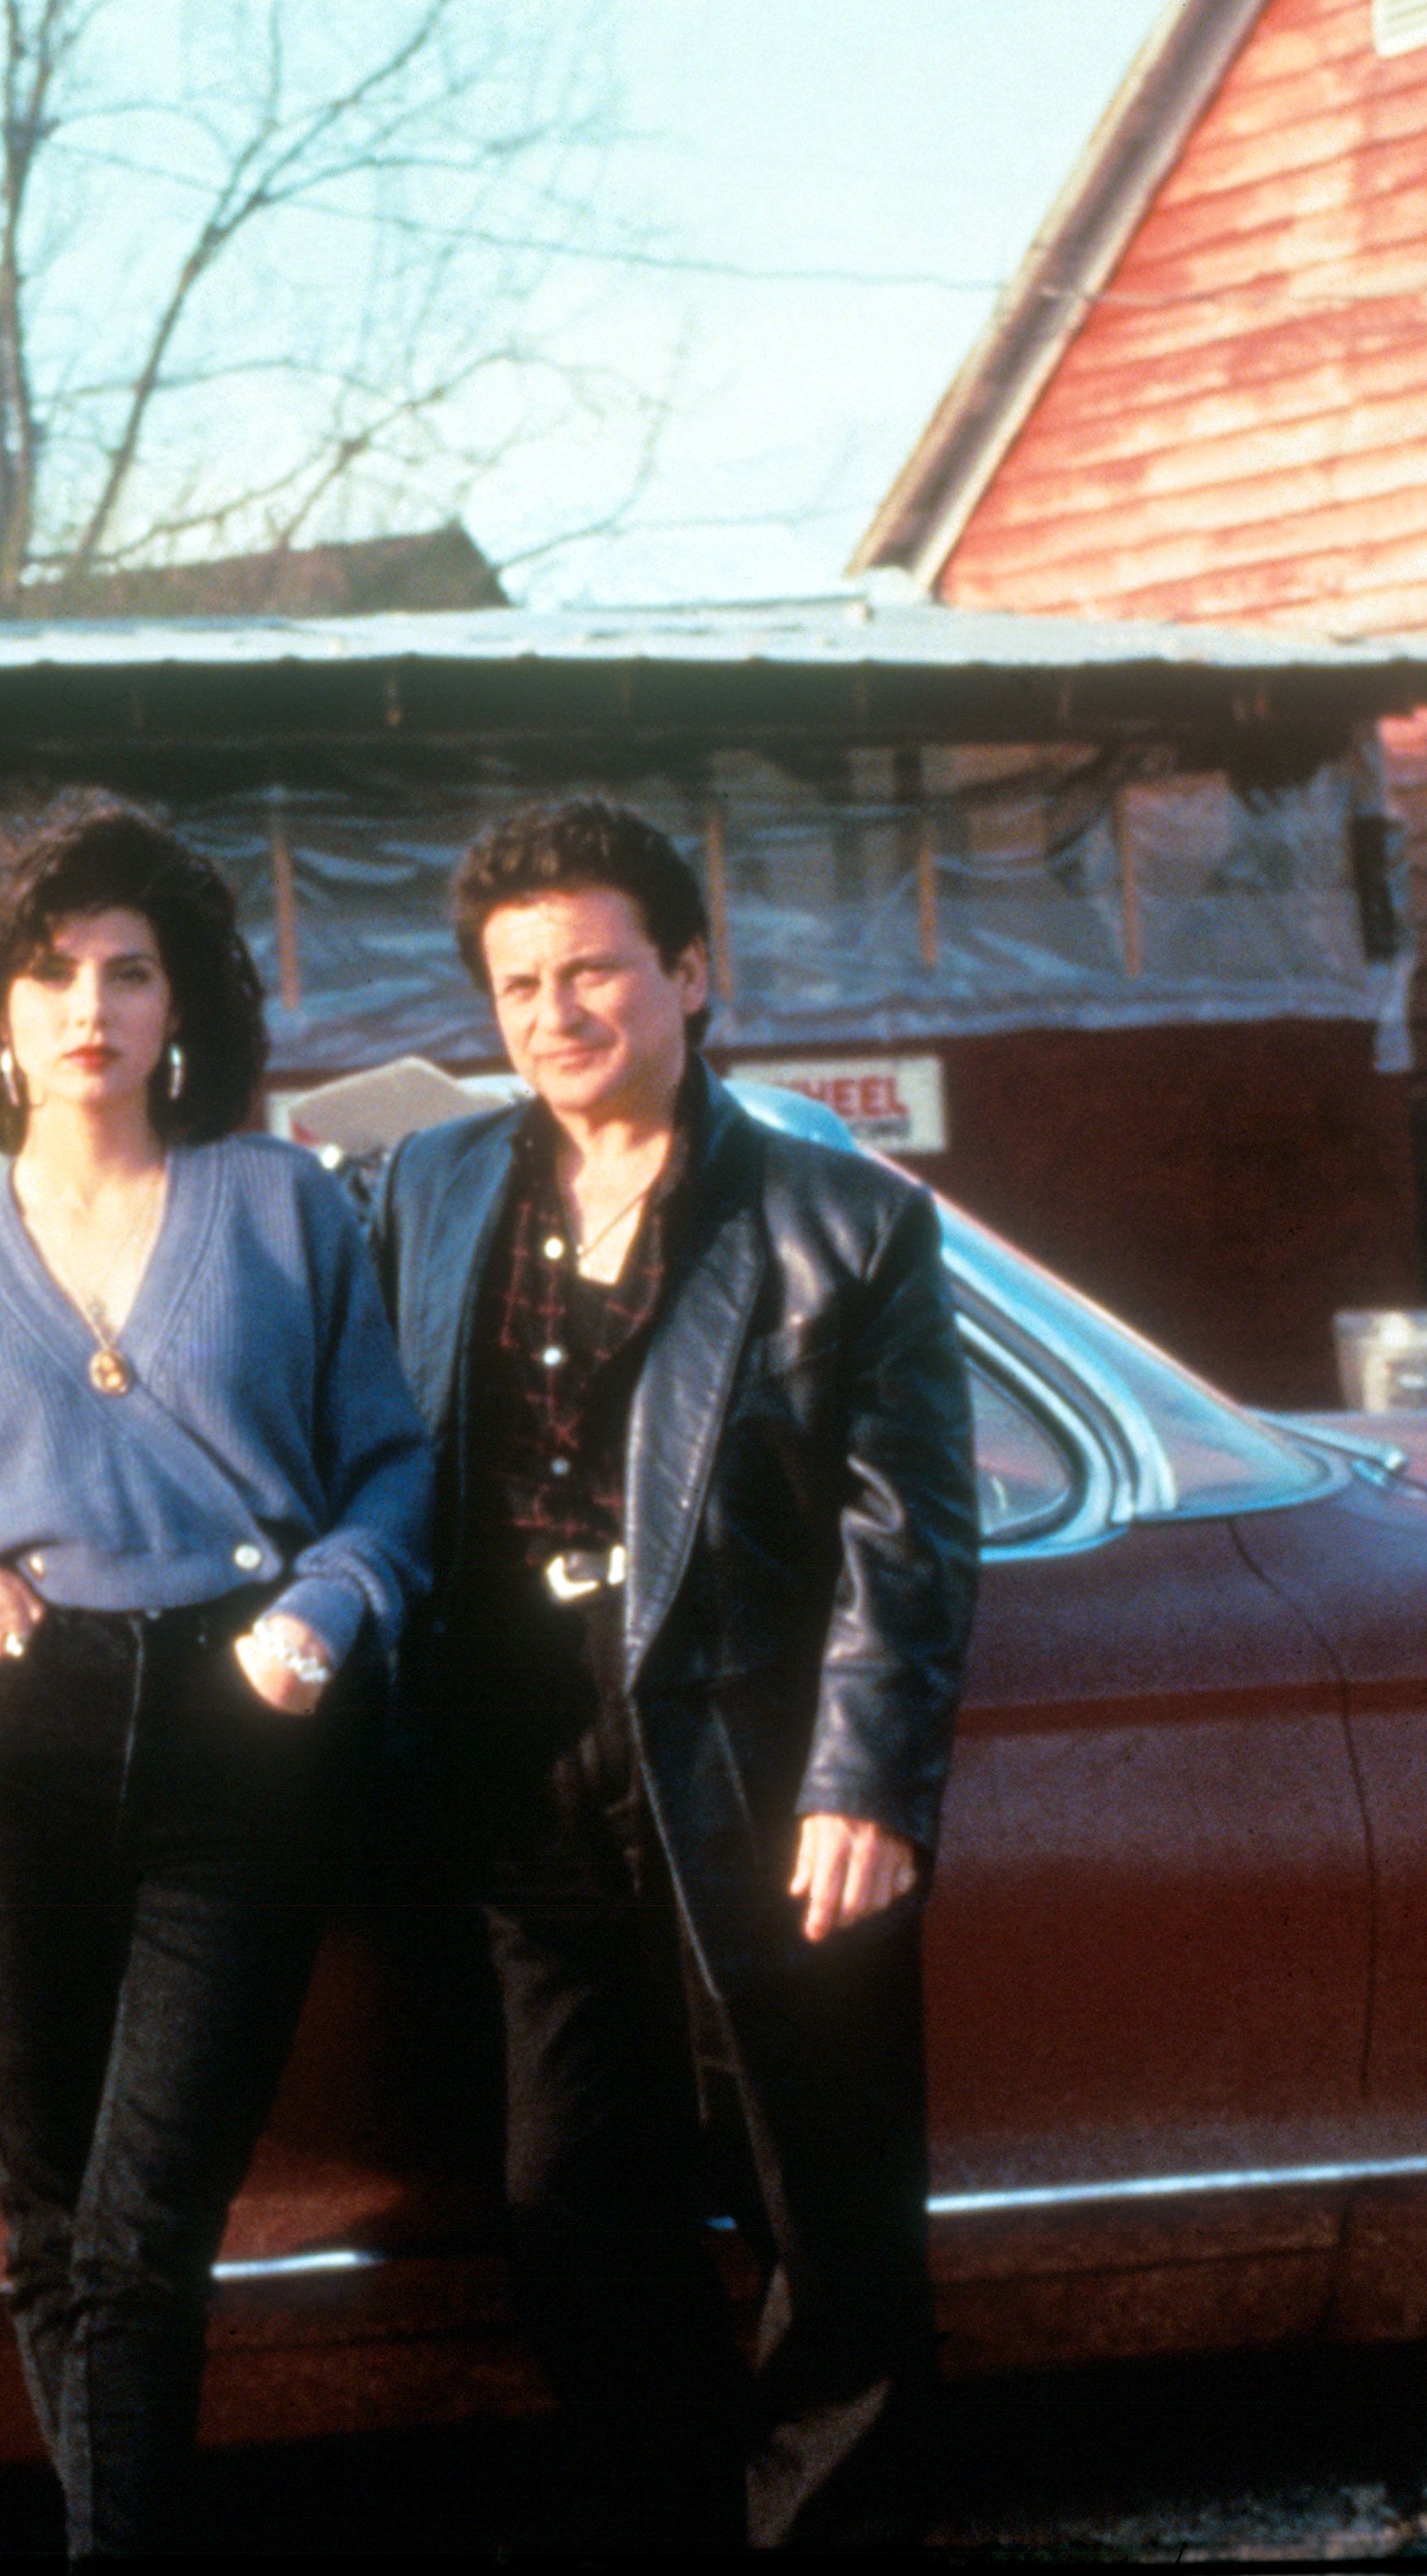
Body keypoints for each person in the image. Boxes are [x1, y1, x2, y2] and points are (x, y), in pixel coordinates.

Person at [0, 793, 433, 2558]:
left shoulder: (285, 1209)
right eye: (52, 973)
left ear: (182, 1009)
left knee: (147, 2226)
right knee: (49, 2224)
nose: (91, 1006)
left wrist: (335, 1600)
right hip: (10, 1754)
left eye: (130, 971)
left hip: (250, 1740)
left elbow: (391, 1467)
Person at [363, 796, 977, 2548]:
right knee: (570, 2216)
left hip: (755, 1767)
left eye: (597, 970)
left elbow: (909, 1530)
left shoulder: (843, 1218)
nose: (556, 1014)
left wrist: (866, 1778)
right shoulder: (432, 1182)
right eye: (518, 982)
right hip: (515, 1762)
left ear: (693, 974)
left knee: (825, 2218)